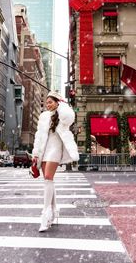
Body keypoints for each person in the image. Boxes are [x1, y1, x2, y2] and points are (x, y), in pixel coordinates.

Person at [32, 91, 79, 232]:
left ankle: (45, 216)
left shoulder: (63, 114)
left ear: (57, 102)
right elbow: (38, 136)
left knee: (48, 178)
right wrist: (35, 153)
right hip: (44, 150)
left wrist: (62, 104)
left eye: (50, 102)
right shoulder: (43, 116)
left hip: (56, 149)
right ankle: (53, 211)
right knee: (48, 182)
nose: (48, 105)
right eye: (46, 102)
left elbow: (70, 117)